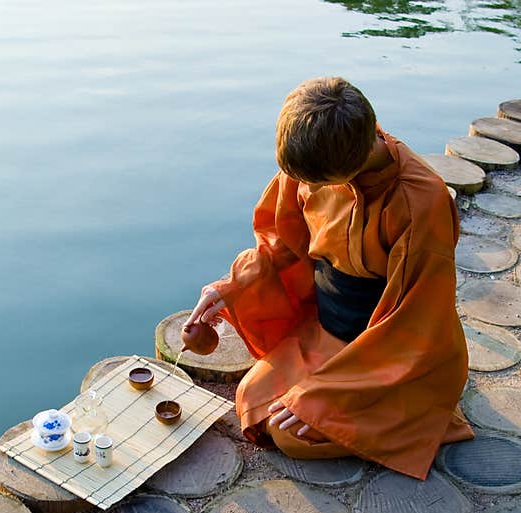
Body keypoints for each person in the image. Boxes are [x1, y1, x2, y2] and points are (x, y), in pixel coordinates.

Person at [184, 76, 473, 480]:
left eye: (316, 184)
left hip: (385, 353)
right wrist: (228, 288)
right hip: (326, 332)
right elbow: (282, 242)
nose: (305, 189)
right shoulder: (314, 162)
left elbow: (416, 321)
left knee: (291, 437)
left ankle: (428, 417)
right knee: (253, 402)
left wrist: (327, 397)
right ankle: (352, 404)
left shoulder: (419, 201)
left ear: (347, 169)